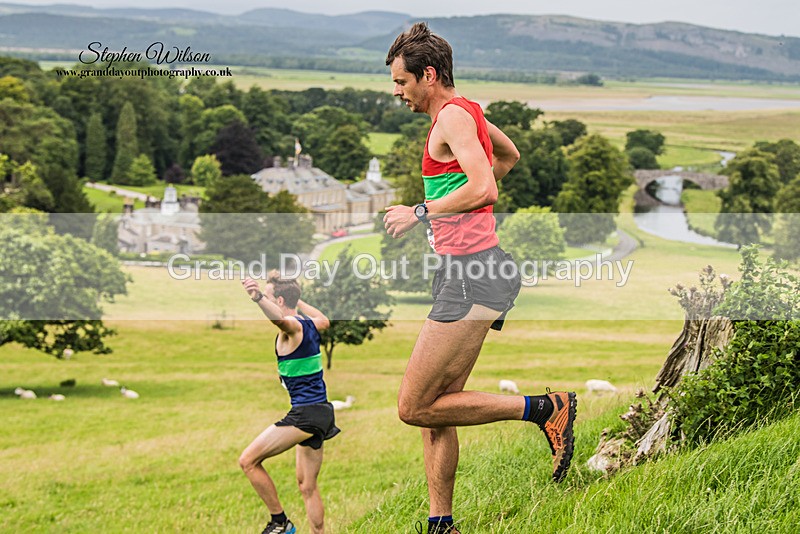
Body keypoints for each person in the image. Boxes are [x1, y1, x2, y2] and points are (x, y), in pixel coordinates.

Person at [383, 22, 577, 534]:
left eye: (402, 83)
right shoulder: (468, 110)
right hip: (470, 271)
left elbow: (486, 186)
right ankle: (440, 523)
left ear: (428, 74)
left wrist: (423, 212)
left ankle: (545, 408)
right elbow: (508, 157)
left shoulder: (450, 116)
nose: (398, 93)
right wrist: (458, 218)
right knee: (439, 408)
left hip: (473, 275)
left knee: (413, 406)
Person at [239, 270, 339, 534]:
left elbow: (281, 320)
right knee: (307, 486)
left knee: (248, 461)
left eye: (273, 298)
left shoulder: (292, 329)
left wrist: (258, 296)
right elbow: (324, 319)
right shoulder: (312, 324)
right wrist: (297, 297)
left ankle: (280, 522)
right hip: (322, 413)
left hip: (305, 415)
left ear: (279, 301)